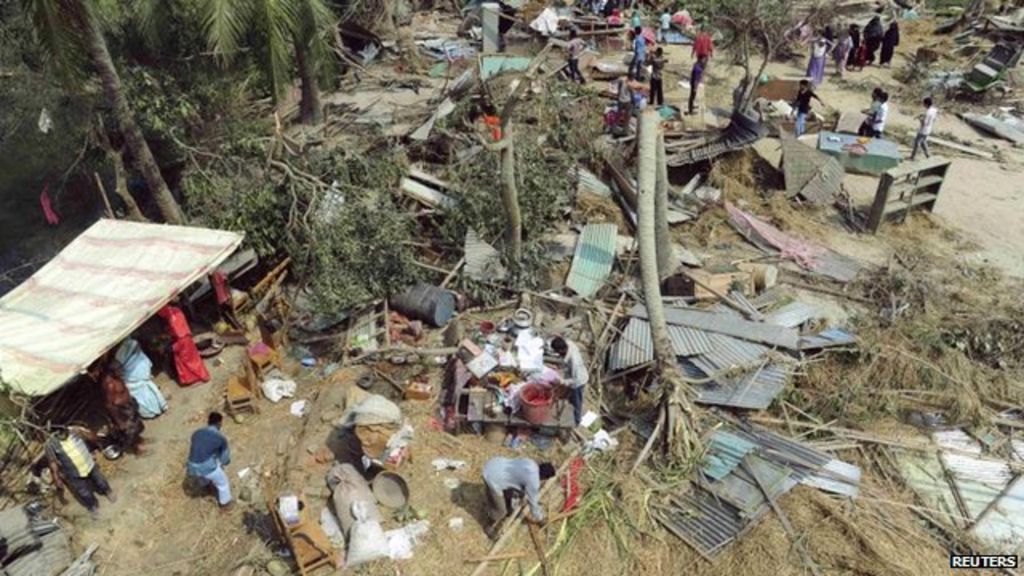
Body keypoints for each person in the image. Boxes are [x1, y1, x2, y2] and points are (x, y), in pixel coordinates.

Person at [45, 427, 116, 518]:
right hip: (73, 473)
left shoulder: (75, 431)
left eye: (63, 431)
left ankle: (108, 492)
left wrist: (84, 432)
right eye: (58, 432)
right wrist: (56, 478)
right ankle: (93, 506)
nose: (62, 434)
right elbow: (52, 462)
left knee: (100, 480)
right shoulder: (51, 444)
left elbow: (93, 437)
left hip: (89, 464)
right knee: (83, 492)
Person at [482, 457, 556, 539]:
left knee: (514, 492)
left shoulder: (530, 463)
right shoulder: (533, 482)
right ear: (544, 477)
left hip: (495, 463)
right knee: (501, 511)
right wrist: (540, 519)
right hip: (492, 477)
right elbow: (533, 503)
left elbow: (519, 477)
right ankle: (489, 526)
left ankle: (505, 503)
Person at [186, 412, 233, 510]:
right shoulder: (220, 439)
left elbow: (199, 448)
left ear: (208, 422)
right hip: (206, 468)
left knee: (203, 474)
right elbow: (225, 459)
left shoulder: (196, 433)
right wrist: (224, 462)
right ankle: (225, 504)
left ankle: (206, 487)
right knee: (223, 483)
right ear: (220, 423)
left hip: (191, 467)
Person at [97, 362, 145, 454]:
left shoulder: (117, 378)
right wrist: (119, 420)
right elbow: (109, 404)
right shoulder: (109, 384)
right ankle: (136, 447)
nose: (121, 372)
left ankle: (138, 440)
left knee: (136, 426)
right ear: (113, 372)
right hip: (121, 411)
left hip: (128, 405)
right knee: (129, 430)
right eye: (119, 371)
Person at [115, 338, 167, 419]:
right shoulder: (131, 342)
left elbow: (117, 367)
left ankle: (151, 411)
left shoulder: (120, 353)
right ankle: (158, 406)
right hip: (142, 370)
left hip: (135, 376)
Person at [550, 336, 589, 426]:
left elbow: (576, 379)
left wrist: (564, 382)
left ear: (561, 350)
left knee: (577, 402)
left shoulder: (574, 362)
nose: (557, 354)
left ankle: (577, 421)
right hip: (573, 375)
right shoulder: (569, 344)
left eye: (557, 352)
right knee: (571, 398)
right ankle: (571, 404)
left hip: (579, 381)